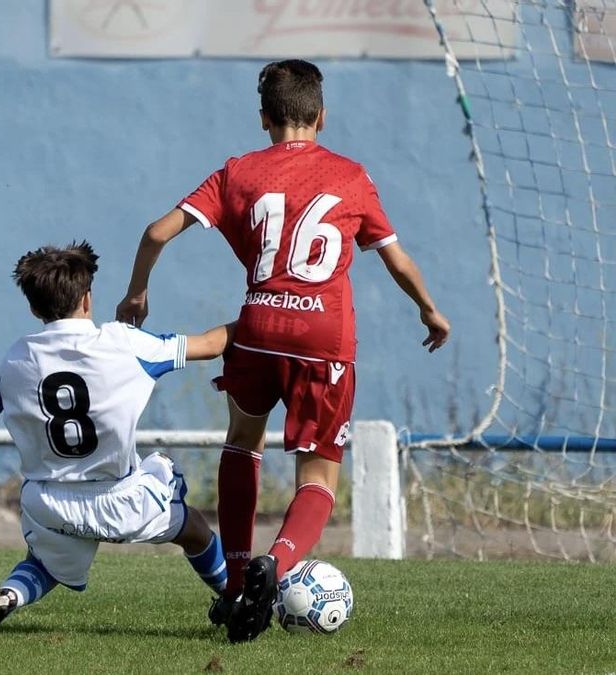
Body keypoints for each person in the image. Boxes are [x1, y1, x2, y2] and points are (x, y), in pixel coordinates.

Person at [116, 59, 450, 643]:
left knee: (242, 443)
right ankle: (281, 559)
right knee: (317, 478)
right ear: (321, 116)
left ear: (265, 117)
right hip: (324, 341)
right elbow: (394, 257)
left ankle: (239, 577)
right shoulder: (351, 176)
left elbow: (154, 231)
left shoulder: (237, 172)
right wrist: (428, 307)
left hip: (258, 327)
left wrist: (137, 291)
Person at [0, 241, 237, 637]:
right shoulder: (125, 343)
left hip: (48, 501)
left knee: (44, 565)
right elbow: (213, 345)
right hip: (120, 499)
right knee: (191, 525)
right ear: (88, 299)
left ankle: (8, 595)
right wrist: (271, 317)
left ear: (34, 309)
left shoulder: (18, 358)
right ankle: (235, 595)